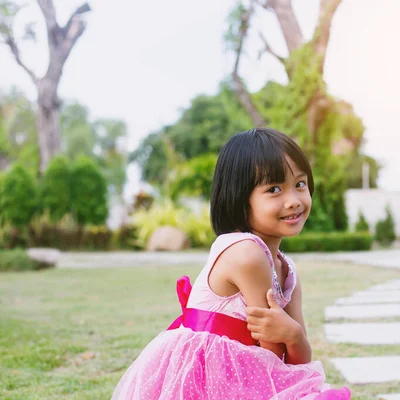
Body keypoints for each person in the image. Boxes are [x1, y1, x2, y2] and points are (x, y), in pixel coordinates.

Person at [112, 128, 351, 400]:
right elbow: (271, 364)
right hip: (205, 380)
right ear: (239, 197)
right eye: (274, 189)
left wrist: (294, 336)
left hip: (245, 374)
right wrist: (292, 339)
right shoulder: (246, 254)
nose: (293, 201)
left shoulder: (287, 271)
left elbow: (299, 366)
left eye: (300, 184)